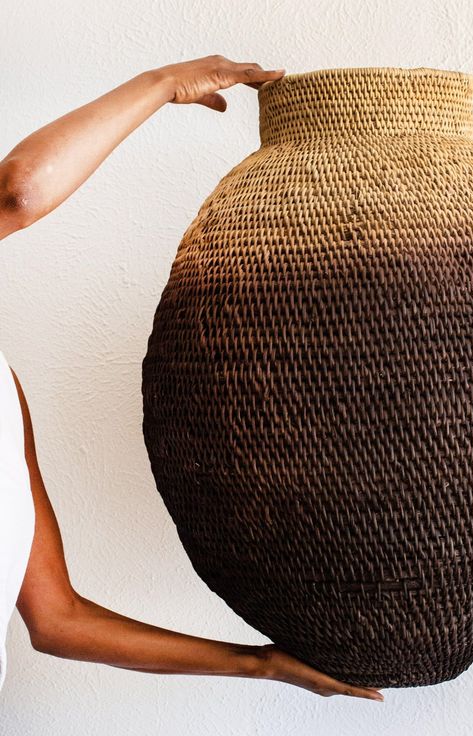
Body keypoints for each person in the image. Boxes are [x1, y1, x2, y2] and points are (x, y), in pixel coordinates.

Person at [0, 55, 383, 702]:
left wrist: (262, 665)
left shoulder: (6, 394)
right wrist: (160, 84)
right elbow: (20, 190)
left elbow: (58, 619)